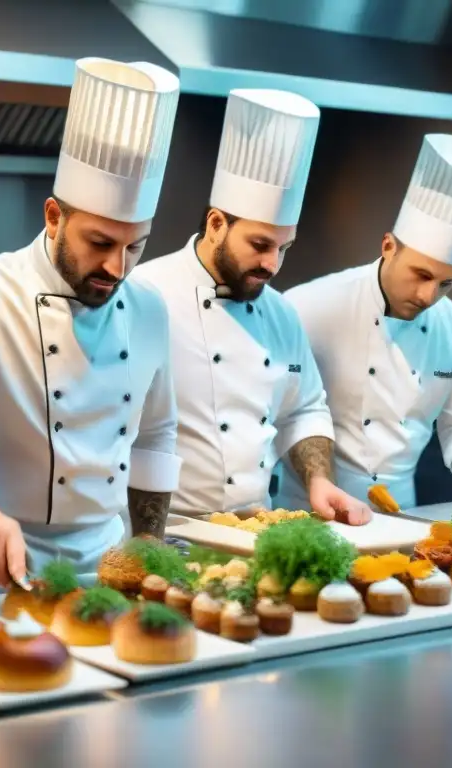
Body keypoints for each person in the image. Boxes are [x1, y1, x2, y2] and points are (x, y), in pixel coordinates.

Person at [0, 58, 183, 598]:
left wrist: (149, 543)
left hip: (108, 563)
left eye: (135, 246)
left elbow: (156, 433)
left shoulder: (150, 310)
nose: (118, 268)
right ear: (54, 216)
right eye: (100, 243)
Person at [133, 89, 371, 525]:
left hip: (258, 528)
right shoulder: (144, 294)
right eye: (260, 245)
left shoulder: (280, 314)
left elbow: (304, 408)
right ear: (216, 224)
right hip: (163, 532)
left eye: (284, 248)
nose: (272, 264)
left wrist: (319, 479)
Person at [276, 134, 452, 512]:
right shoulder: (307, 306)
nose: (429, 296)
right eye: (421, 274)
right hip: (309, 512)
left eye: (447, 283)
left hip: (401, 514)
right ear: (388, 247)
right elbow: (285, 413)